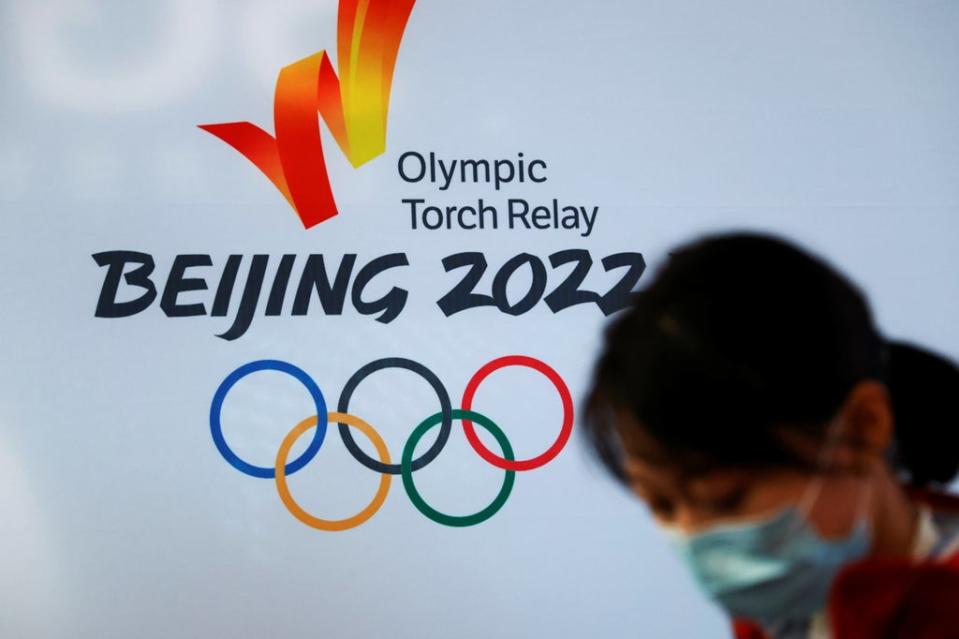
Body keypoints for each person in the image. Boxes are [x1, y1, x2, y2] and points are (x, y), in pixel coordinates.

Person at [583, 232, 959, 639]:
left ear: (862, 429)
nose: (695, 536)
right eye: (661, 505)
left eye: (728, 499)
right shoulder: (786, 610)